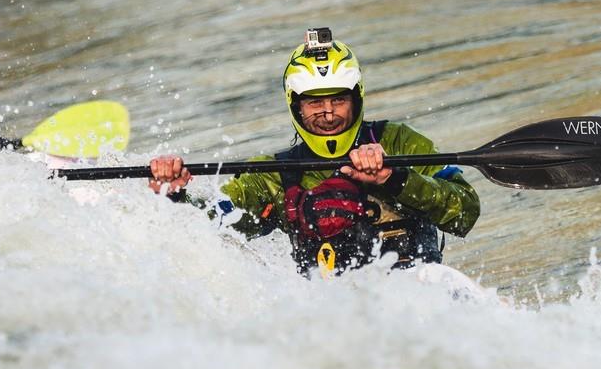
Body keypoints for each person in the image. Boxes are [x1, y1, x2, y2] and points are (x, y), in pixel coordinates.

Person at [148, 32, 480, 275]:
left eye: (338, 100)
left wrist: (393, 179)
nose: (328, 114)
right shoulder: (272, 175)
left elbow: (466, 211)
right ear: (296, 105)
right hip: (334, 310)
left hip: (423, 287)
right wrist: (175, 195)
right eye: (314, 103)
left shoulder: (399, 142)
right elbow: (217, 226)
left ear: (356, 98)